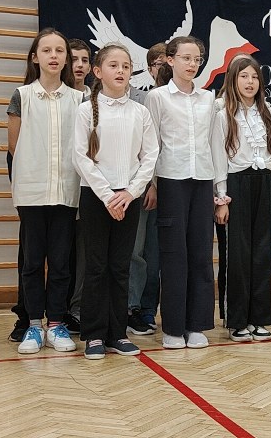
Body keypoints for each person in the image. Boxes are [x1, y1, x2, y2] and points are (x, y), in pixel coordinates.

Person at [73, 43, 159, 359]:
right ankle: (94, 335)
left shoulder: (140, 112)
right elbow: (80, 156)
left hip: (129, 198)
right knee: (96, 266)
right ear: (98, 71)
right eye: (113, 65)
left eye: (125, 66)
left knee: (120, 266)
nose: (120, 71)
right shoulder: (86, 110)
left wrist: (131, 192)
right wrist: (108, 195)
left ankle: (117, 333)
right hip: (97, 197)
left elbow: (150, 155)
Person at [7, 28, 85, 354]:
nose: (53, 56)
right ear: (35, 57)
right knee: (32, 262)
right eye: (47, 50)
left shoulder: (79, 99)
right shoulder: (22, 96)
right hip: (32, 192)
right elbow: (14, 146)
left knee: (61, 263)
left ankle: (56, 323)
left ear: (66, 58)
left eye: (59, 51)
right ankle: (33, 325)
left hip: (67, 191)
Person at [145, 36, 217, 350]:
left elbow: (214, 144)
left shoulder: (208, 98)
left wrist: (219, 190)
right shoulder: (158, 97)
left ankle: (196, 325)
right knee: (174, 255)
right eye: (186, 58)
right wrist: (151, 183)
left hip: (202, 180)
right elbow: (151, 144)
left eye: (197, 59)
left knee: (200, 254)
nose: (192, 64)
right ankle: (173, 328)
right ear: (171, 60)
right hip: (170, 180)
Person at [212, 56, 271, 343]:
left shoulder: (269, 113)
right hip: (236, 184)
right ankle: (237, 320)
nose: (250, 82)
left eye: (254, 77)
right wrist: (222, 197)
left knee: (263, 253)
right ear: (233, 80)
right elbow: (218, 157)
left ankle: (259, 318)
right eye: (243, 76)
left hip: (264, 183)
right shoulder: (223, 115)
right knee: (238, 254)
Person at [125, 42, 168, 335]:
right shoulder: (143, 100)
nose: (164, 68)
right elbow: (147, 150)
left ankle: (150, 307)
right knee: (138, 251)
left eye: (168, 62)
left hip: (177, 186)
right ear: (150, 69)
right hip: (145, 186)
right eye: (158, 64)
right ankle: (136, 307)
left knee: (159, 254)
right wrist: (150, 183)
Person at [64, 38, 92, 335]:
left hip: (89, 185)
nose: (79, 65)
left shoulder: (95, 99)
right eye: (74, 59)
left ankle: (78, 308)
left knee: (85, 253)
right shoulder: (58, 96)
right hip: (59, 185)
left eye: (85, 60)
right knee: (61, 253)